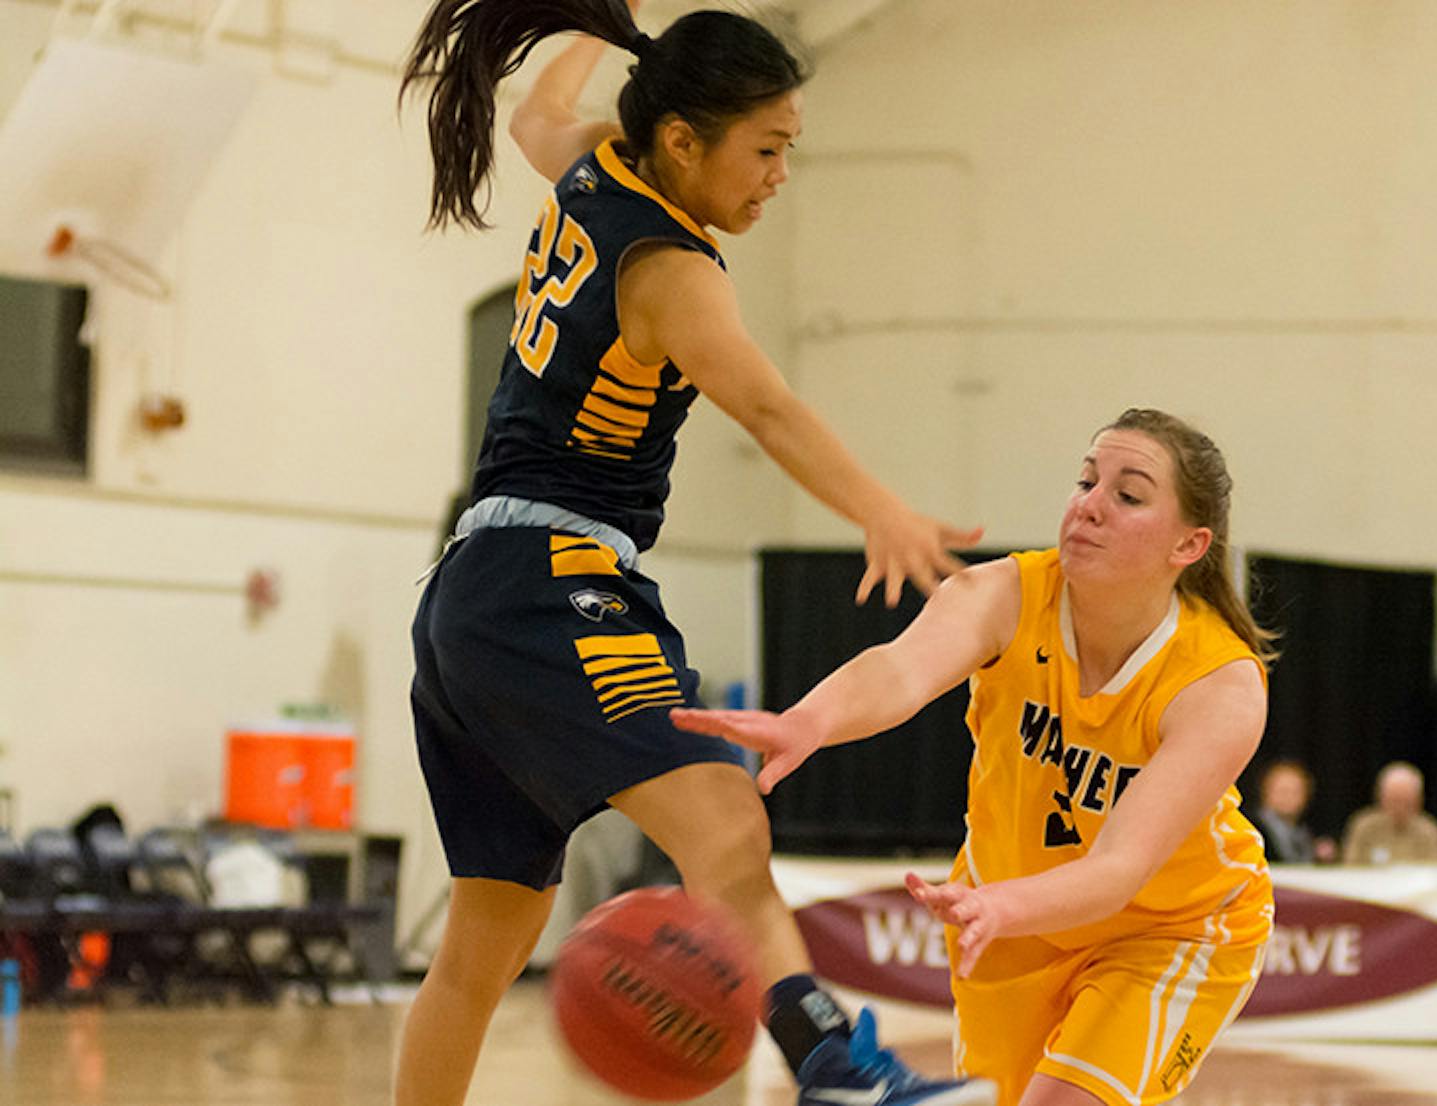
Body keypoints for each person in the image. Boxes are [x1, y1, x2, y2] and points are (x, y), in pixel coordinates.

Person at [395, 5, 990, 1105]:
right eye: (764, 149)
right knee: (725, 817)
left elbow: (536, 116)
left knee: (486, 936)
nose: (776, 176)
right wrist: (881, 509)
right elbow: (765, 408)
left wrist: (600, 29)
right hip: (551, 583)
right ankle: (836, 1065)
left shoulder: (595, 168)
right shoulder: (670, 268)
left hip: (468, 597)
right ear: (683, 141)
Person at [676, 409, 1278, 1106]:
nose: (1089, 506)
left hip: (1170, 927)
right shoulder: (1005, 594)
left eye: (1128, 494)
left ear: (1189, 544)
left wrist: (1001, 904)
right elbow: (900, 672)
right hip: (1016, 927)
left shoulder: (1219, 685)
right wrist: (807, 722)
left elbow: (1120, 869)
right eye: (1086, 481)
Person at [1341, 761, 1437, 866]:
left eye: (1406, 802)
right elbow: (1350, 869)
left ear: (1418, 802)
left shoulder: (1429, 832)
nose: (1399, 808)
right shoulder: (1364, 828)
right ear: (1380, 799)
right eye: (1393, 800)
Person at [1247, 758, 1337, 864]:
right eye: (1283, 791)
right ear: (1264, 791)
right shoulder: (1251, 831)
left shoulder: (1304, 834)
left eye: (1295, 791)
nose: (1288, 797)